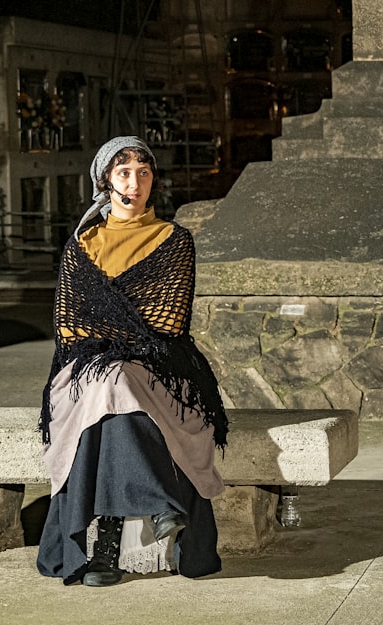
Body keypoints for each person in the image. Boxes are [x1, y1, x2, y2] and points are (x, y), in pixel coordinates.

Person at [37, 136, 229, 587]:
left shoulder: (173, 241)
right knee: (110, 383)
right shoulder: (81, 246)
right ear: (106, 180)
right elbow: (70, 328)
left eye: (144, 172)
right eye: (124, 172)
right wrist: (120, 336)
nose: (136, 181)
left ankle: (104, 549)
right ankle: (163, 502)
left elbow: (167, 322)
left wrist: (111, 333)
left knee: (113, 386)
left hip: (161, 366)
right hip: (85, 369)